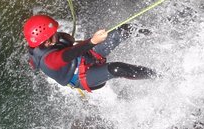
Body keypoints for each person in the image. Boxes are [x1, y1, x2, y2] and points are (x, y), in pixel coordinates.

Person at [24, 14, 156, 92]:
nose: (57, 34)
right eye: (54, 34)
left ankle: (157, 33)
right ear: (47, 42)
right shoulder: (49, 61)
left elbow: (71, 48)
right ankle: (156, 76)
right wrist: (93, 41)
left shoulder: (46, 42)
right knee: (116, 69)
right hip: (82, 76)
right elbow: (69, 54)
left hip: (83, 57)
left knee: (123, 30)